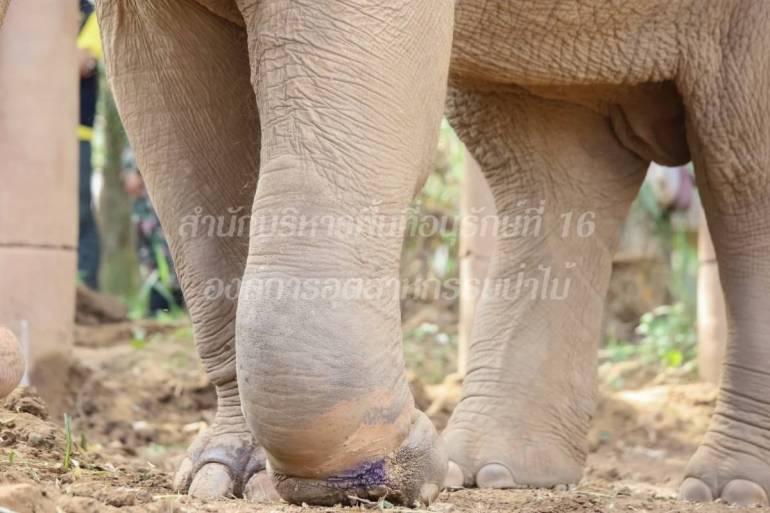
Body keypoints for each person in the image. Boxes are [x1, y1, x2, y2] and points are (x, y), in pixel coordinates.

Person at [76, 0, 102, 289]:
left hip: (78, 130)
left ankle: (87, 286)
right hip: (37, 141)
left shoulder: (90, 13)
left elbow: (80, 61)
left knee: (81, 210)